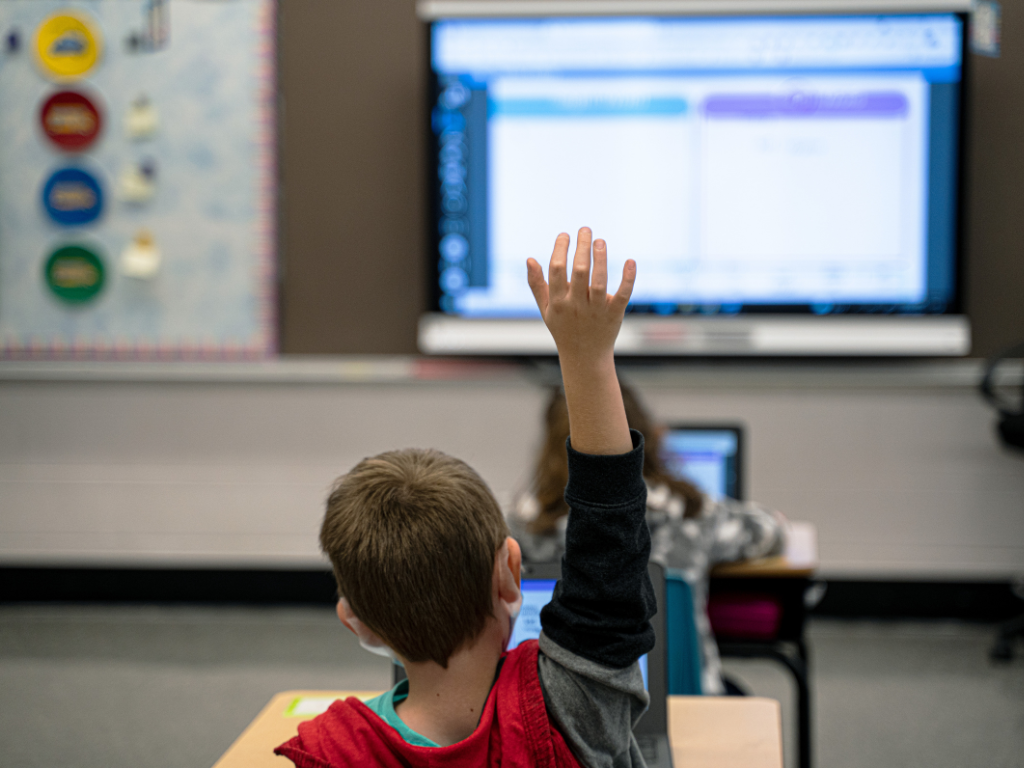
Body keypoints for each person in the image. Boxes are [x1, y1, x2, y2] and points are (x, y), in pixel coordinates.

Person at [275, 228, 655, 768]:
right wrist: (587, 356)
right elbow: (609, 553)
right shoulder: (566, 715)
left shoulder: (332, 753)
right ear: (510, 572)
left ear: (355, 620)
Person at [510, 387, 786, 695]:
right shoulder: (689, 511)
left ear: (550, 449)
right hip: (685, 699)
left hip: (572, 704)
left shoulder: (528, 527)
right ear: (646, 436)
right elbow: (769, 532)